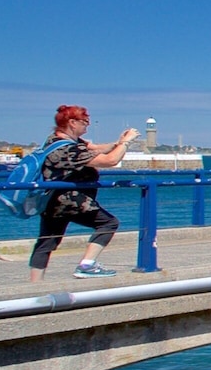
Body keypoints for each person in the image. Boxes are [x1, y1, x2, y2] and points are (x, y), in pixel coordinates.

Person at [29, 105, 138, 281]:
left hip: (51, 200)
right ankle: (86, 265)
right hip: (71, 201)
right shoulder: (68, 149)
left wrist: (118, 143)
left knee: (47, 241)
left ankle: (34, 283)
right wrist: (126, 144)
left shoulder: (55, 141)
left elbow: (95, 149)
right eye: (85, 122)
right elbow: (110, 160)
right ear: (72, 123)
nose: (87, 126)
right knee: (109, 223)